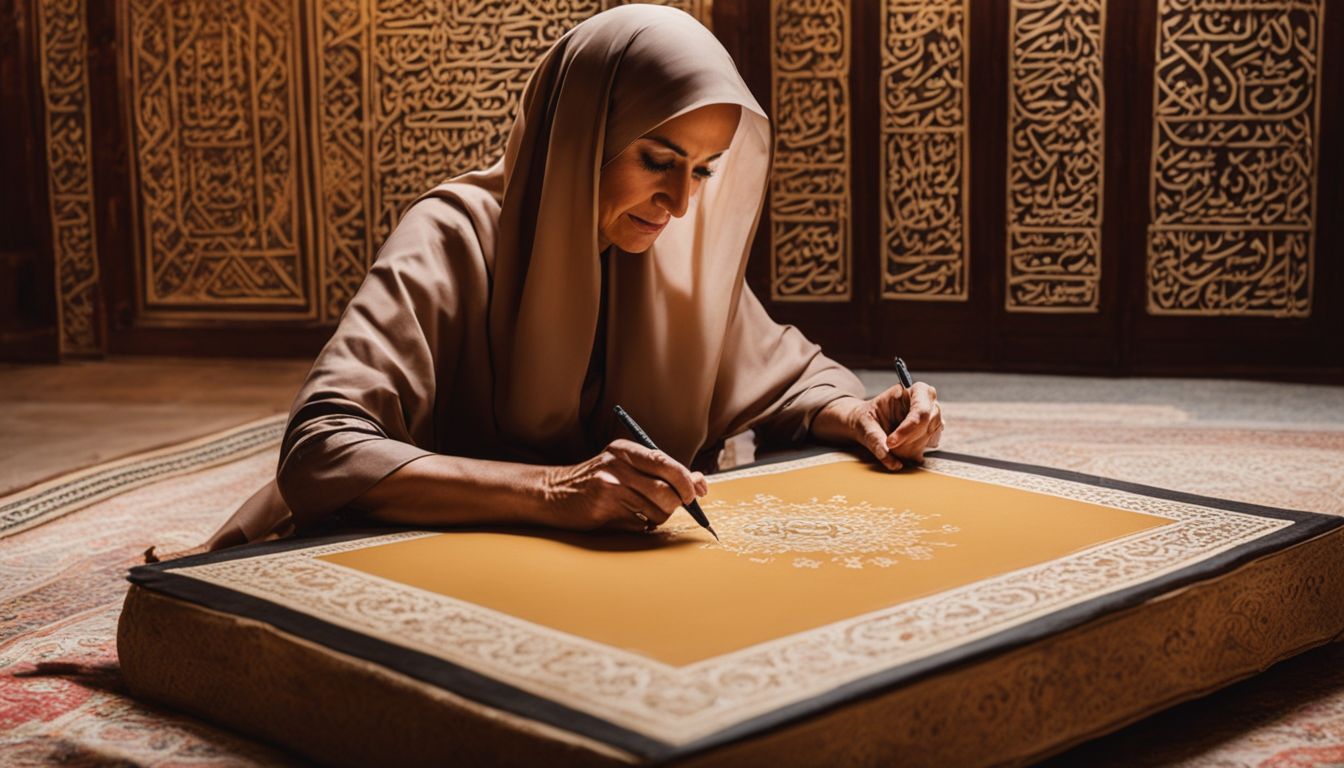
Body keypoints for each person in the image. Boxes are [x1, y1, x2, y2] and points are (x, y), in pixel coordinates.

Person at [199, 5, 942, 552]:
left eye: (702, 172)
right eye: (657, 160)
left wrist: (862, 415)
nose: (681, 205)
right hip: (450, 564)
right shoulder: (453, 237)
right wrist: (553, 492)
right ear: (582, 132)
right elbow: (322, 450)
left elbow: (792, 375)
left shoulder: (660, 254)